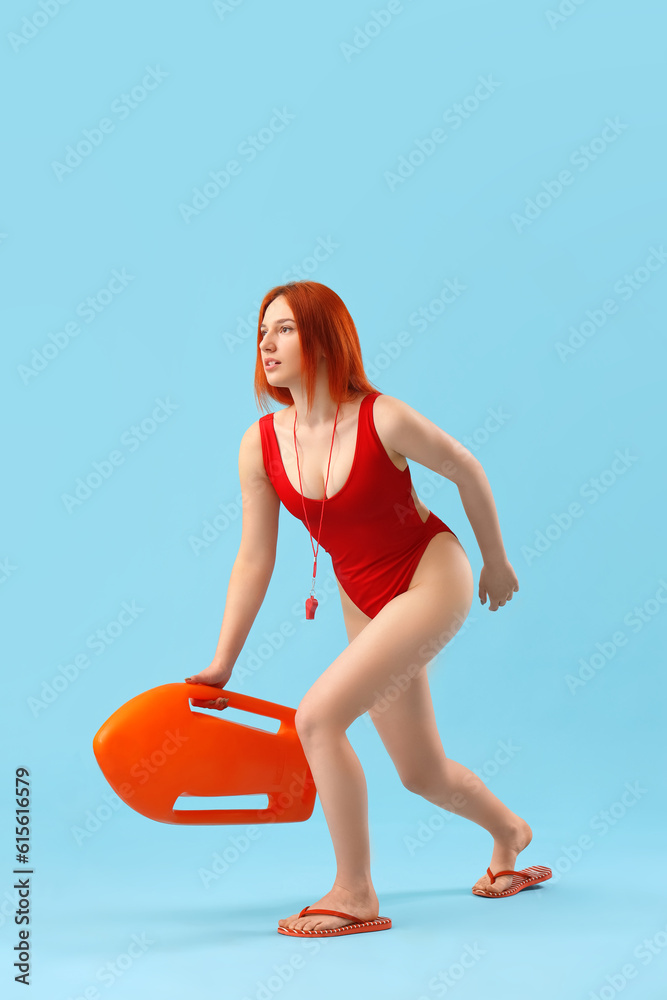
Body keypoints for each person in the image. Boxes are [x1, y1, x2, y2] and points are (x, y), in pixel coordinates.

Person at [186, 280, 537, 937]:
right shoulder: (259, 443)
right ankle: (509, 832)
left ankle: (354, 894)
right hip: (361, 596)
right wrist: (222, 662)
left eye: (284, 329)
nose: (266, 342)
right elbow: (254, 559)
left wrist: (495, 559)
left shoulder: (383, 417)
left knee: (318, 718)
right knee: (420, 773)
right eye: (261, 331)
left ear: (325, 339)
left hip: (430, 577)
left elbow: (463, 467)